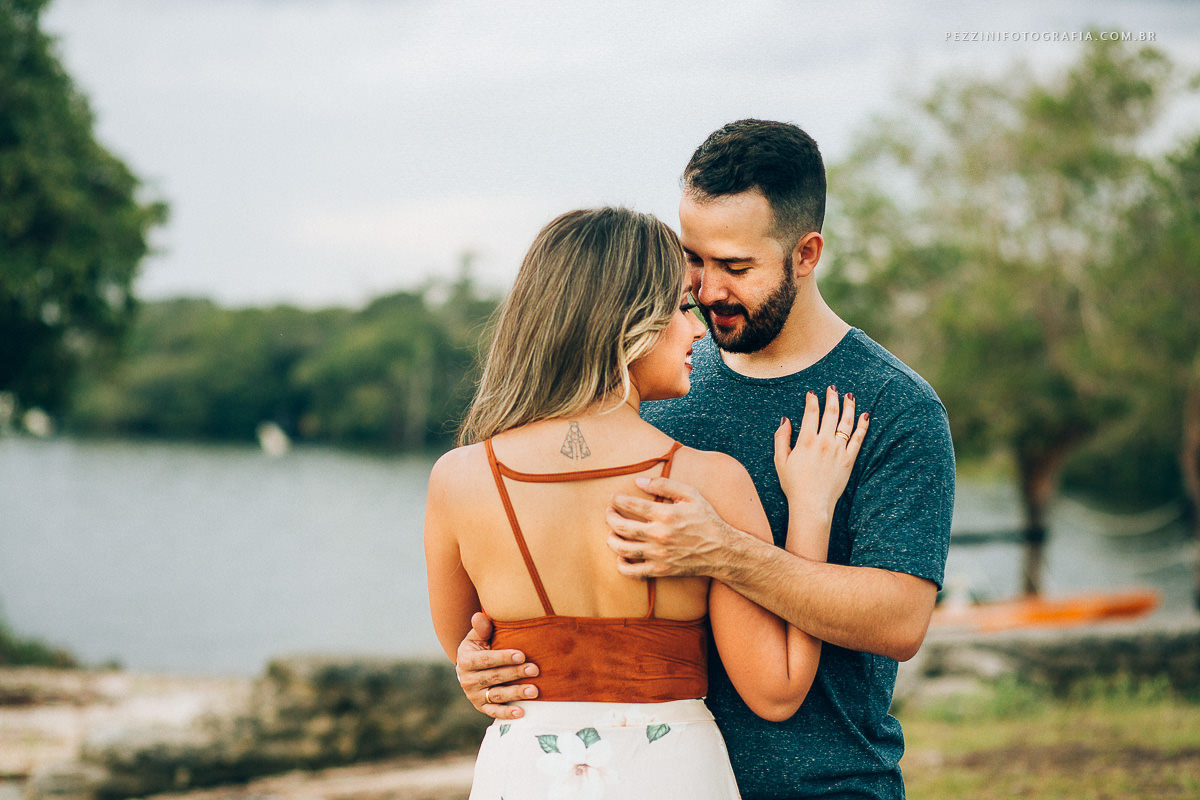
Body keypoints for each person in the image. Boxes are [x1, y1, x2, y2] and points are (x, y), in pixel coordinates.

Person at [453, 121, 955, 799]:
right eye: (694, 258)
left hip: (827, 785)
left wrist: (724, 552)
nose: (705, 290)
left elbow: (900, 621)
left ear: (805, 255)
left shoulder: (891, 405)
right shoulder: (659, 377)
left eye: (736, 267)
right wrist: (485, 655)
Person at [424, 206, 870, 799]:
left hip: (527, 774)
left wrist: (477, 667)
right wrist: (812, 509)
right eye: (682, 309)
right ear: (625, 325)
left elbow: (468, 647)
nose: (698, 329)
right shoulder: (708, 481)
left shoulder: (460, 478)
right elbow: (778, 689)